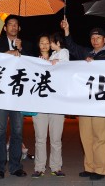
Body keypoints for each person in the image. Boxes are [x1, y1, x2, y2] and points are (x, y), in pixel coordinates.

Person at [61, 17, 105, 181]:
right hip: (85, 102)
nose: (95, 40)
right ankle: (90, 167)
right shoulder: (86, 53)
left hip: (101, 103)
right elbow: (71, 47)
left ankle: (101, 169)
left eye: (98, 37)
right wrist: (67, 31)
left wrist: (94, 61)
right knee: (86, 136)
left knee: (101, 137)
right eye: (92, 37)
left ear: (104, 40)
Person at [0, 14, 35, 179]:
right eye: (10, 24)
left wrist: (21, 50)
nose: (13, 27)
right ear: (5, 27)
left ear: (19, 28)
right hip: (1, 94)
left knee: (17, 131)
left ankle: (16, 166)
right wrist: (9, 52)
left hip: (18, 94)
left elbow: (33, 64)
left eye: (16, 25)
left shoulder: (27, 44)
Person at [31, 31, 69, 178]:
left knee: (56, 138)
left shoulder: (59, 56)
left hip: (57, 104)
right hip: (39, 104)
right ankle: (39, 168)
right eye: (42, 43)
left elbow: (66, 69)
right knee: (40, 138)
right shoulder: (33, 60)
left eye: (48, 42)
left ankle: (56, 167)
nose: (45, 45)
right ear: (38, 45)